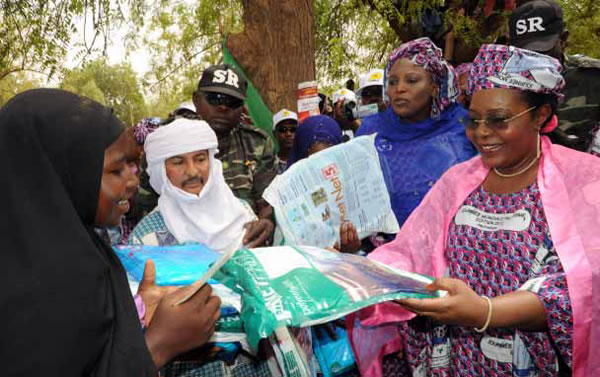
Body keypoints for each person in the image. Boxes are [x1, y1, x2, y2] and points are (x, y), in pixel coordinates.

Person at [349, 45, 600, 377]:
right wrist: (352, 270)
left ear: (540, 115)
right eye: (474, 119)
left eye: (498, 120)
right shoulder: (458, 181)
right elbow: (410, 253)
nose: (481, 133)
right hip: (459, 362)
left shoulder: (584, 181)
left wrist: (484, 312)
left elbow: (580, 287)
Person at [0, 89, 221, 375]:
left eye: (133, 165)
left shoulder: (80, 247)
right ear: (65, 174)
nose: (132, 181)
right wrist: (157, 346)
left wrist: (135, 312)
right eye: (117, 171)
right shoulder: (35, 292)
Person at [356, 37, 477, 231]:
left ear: (434, 87)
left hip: (456, 246)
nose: (399, 89)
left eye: (411, 80)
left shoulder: (465, 126)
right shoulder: (371, 132)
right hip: (387, 251)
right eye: (393, 82)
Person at [129, 118, 270, 250]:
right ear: (161, 171)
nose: (192, 172)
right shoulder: (146, 238)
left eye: (200, 159)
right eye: (178, 162)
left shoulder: (242, 212)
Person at [192, 64, 277, 240]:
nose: (223, 107)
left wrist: (267, 222)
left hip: (242, 246)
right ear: (196, 100)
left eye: (232, 102)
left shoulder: (258, 144)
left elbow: (267, 203)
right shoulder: (169, 144)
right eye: (214, 98)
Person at [509, 0, 600, 152]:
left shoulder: (593, 78)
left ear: (563, 40)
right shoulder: (502, 84)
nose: (534, 59)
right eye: (524, 52)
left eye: (542, 50)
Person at [285, 115, 360, 253]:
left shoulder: (351, 186)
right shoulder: (286, 191)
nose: (323, 170)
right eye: (313, 161)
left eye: (328, 159)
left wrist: (350, 248)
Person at [272, 109, 298, 174]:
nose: (288, 134)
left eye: (293, 129)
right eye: (282, 130)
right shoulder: (269, 164)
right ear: (274, 133)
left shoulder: (304, 161)